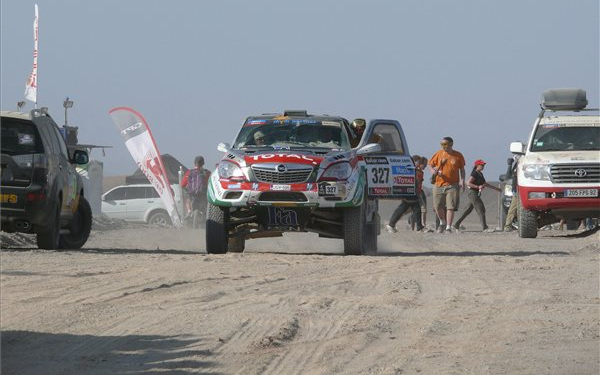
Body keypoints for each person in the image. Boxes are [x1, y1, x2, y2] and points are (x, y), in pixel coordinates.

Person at [428, 136, 466, 233]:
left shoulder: (458, 155)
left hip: (452, 185)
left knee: (450, 206)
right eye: (442, 144)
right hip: (438, 184)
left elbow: (462, 169)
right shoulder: (438, 154)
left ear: (451, 144)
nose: (443, 146)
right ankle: (442, 222)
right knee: (437, 206)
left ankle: (448, 227)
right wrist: (433, 172)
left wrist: (462, 180)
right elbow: (430, 164)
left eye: (445, 144)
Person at [453, 159, 502, 232]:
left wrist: (496, 188)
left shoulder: (480, 174)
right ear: (477, 165)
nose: (483, 166)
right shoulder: (474, 173)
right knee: (481, 208)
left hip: (476, 194)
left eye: (483, 165)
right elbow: (468, 183)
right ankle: (485, 228)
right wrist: (477, 187)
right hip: (473, 193)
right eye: (481, 165)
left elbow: (484, 184)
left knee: (467, 210)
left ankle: (456, 224)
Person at [386, 155, 424, 233]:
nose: (419, 164)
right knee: (409, 208)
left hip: (411, 192)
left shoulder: (413, 169)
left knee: (408, 208)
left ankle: (391, 224)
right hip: (409, 191)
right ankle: (419, 227)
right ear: (414, 162)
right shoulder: (410, 169)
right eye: (418, 162)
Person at [181, 155, 211, 228]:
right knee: (207, 206)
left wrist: (187, 188)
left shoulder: (189, 172)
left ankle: (188, 211)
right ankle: (206, 217)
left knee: (187, 200)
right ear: (203, 163)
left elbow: (182, 184)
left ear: (194, 163)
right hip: (203, 194)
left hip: (192, 194)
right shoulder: (207, 173)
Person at [503, 154, 520, 232]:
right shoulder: (517, 166)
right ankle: (508, 226)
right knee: (512, 210)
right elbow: (509, 178)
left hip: (526, 191)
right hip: (517, 191)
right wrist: (510, 165)